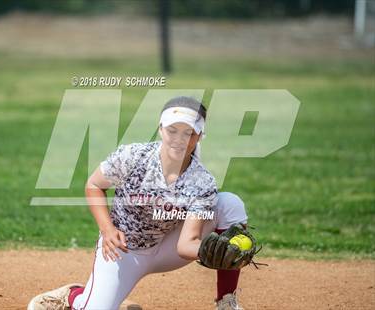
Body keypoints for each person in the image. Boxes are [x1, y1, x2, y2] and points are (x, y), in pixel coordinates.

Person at [27, 96, 249, 310]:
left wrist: (217, 251)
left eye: (188, 133)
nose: (178, 139)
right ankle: (75, 295)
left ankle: (226, 302)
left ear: (199, 135)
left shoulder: (202, 182)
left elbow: (185, 245)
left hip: (167, 247)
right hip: (123, 250)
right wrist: (107, 230)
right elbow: (94, 185)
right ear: (161, 128)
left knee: (230, 203)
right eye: (172, 131)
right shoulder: (133, 156)